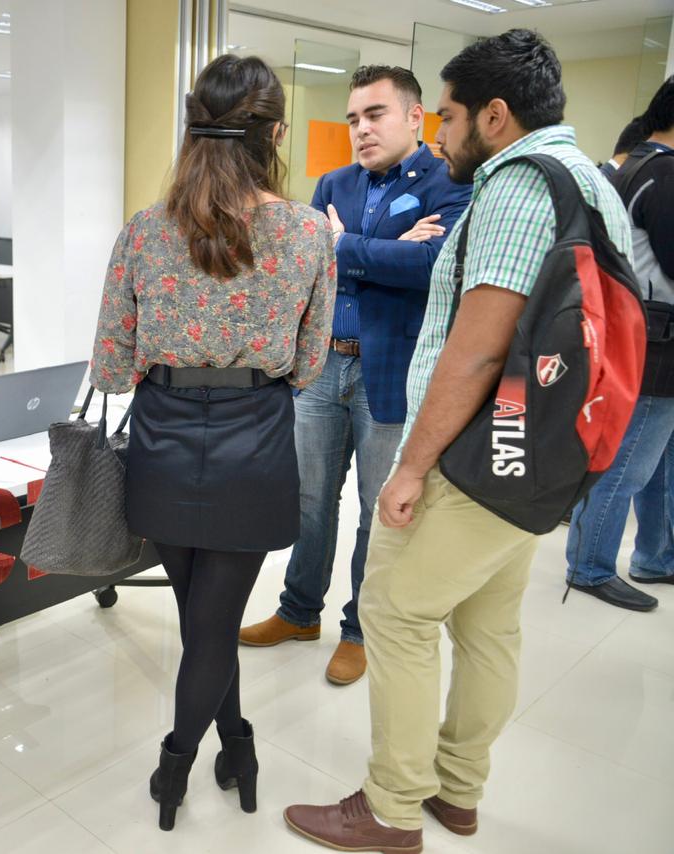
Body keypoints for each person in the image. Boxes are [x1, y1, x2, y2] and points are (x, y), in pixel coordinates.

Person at [284, 30, 633, 854]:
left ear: (496, 116)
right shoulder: (591, 179)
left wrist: (410, 466)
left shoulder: (514, 188)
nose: (442, 137)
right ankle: (459, 791)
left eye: (445, 117)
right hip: (545, 450)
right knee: (488, 627)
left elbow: (476, 347)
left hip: (480, 454)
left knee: (395, 613)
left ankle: (392, 807)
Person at [91, 54, 335, 832]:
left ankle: (201, 753)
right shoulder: (306, 233)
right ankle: (207, 756)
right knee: (212, 622)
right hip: (255, 443)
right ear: (277, 134)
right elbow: (309, 363)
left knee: (203, 618)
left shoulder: (142, 231)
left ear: (191, 127)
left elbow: (111, 367)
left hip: (162, 441)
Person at [238, 66, 471, 687]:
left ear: (415, 117)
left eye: (375, 115)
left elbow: (433, 266)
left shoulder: (447, 181)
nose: (361, 130)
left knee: (377, 509)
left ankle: (361, 629)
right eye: (352, 119)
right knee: (310, 501)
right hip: (323, 365)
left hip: (388, 373)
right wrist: (389, 249)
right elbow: (304, 267)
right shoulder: (333, 182)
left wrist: (347, 245)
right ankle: (298, 612)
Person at [564, 76, 674, 611]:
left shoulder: (630, 166)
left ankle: (656, 555)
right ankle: (589, 565)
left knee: (655, 461)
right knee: (629, 461)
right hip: (655, 340)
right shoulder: (663, 173)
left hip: (638, 331)